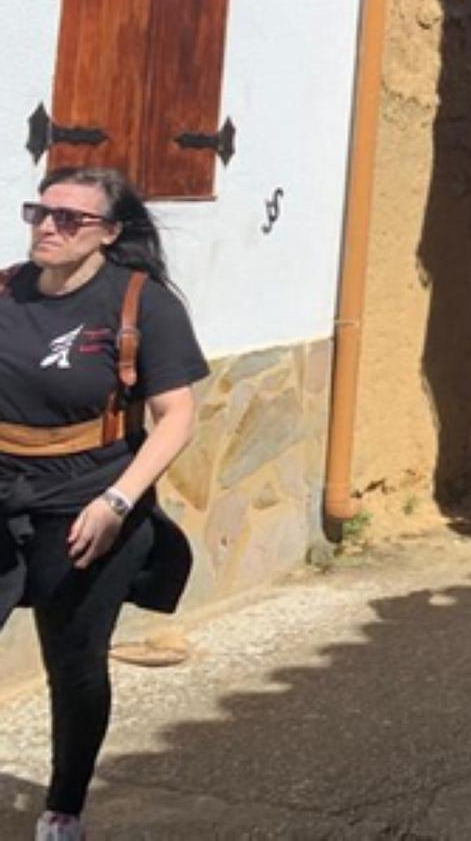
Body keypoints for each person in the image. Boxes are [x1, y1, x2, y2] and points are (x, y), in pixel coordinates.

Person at [1, 168, 208, 839]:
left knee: (76, 662)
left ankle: (63, 807)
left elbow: (175, 414)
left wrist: (118, 500)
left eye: (70, 218)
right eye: (40, 212)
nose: (48, 227)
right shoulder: (4, 290)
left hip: (89, 503)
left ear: (109, 233)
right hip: (4, 494)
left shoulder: (140, 303)